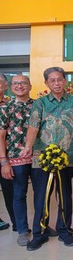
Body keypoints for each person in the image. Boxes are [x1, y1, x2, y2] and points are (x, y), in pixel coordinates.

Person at [20, 67, 73, 251]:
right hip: (42, 158)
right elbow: (33, 127)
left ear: (65, 80)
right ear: (46, 83)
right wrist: (27, 147)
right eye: (52, 80)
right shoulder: (40, 103)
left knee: (65, 195)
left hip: (68, 157)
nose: (57, 83)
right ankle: (39, 233)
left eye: (60, 79)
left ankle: (65, 230)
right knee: (41, 196)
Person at [0, 75, 34, 246]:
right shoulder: (6, 108)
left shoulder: (39, 105)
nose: (20, 86)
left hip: (38, 157)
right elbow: (1, 135)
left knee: (42, 194)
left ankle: (39, 226)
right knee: (19, 194)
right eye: (16, 83)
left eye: (23, 83)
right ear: (10, 87)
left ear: (30, 85)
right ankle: (21, 229)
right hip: (15, 158)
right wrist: (3, 162)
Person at [0, 73, 16, 232]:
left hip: (6, 155)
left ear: (6, 86)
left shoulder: (10, 106)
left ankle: (17, 223)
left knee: (9, 189)